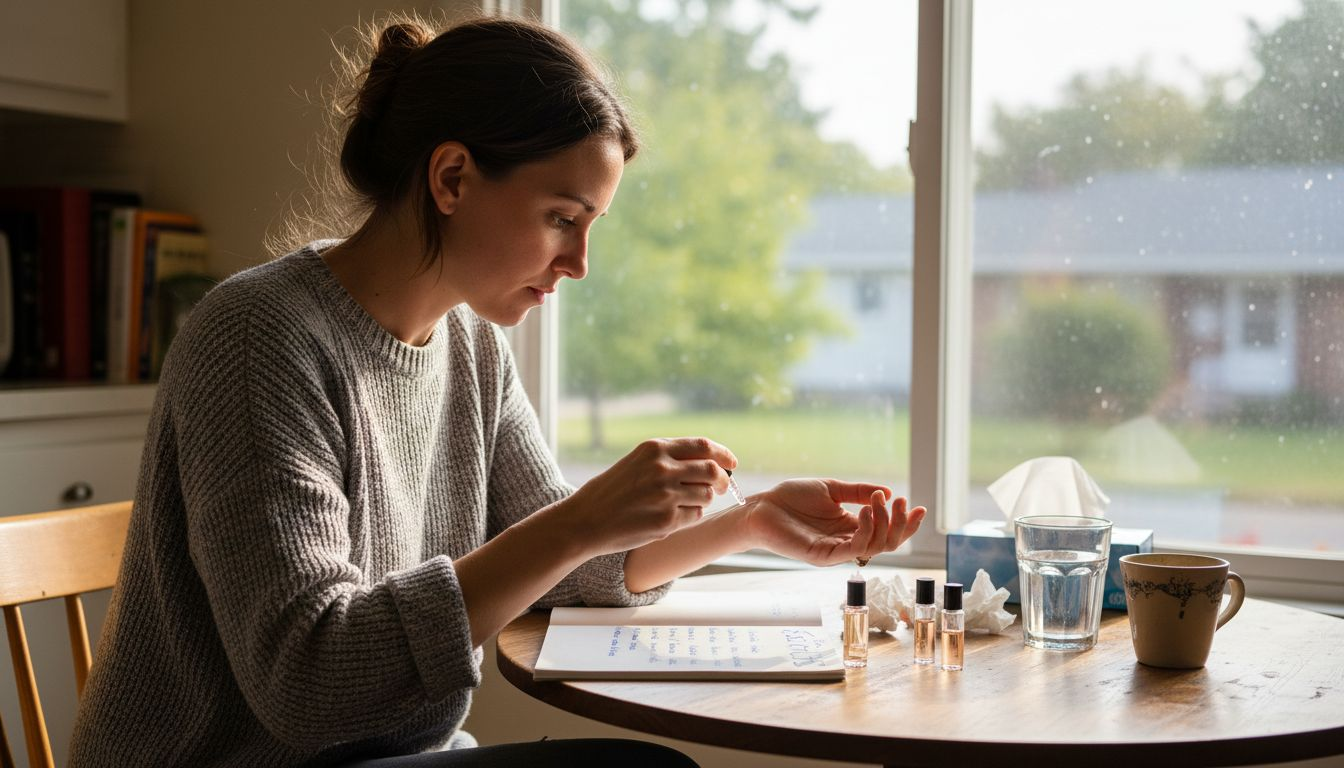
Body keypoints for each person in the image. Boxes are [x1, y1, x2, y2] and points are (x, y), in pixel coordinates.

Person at [68, 14, 925, 767]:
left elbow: (567, 569)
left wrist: (750, 521)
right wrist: (580, 517)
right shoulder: (259, 337)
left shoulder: (471, 345)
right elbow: (310, 682)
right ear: (450, 179)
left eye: (590, 227)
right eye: (562, 217)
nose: (578, 263)